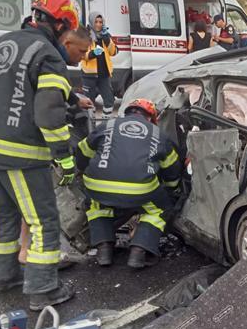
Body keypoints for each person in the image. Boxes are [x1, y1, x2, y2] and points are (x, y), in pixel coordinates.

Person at [0, 0, 92, 311]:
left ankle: (5, 280)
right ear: (62, 26)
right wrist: (63, 158)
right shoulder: (49, 55)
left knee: (2, 219)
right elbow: (48, 114)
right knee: (43, 221)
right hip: (22, 155)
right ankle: (44, 290)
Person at [74, 99, 182, 269]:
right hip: (139, 189)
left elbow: (82, 151)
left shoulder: (107, 125)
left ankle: (104, 250)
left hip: (98, 184)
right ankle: (139, 251)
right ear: (151, 118)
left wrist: (82, 170)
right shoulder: (158, 134)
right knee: (160, 209)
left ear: (127, 113)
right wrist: (171, 189)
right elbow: (172, 169)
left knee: (97, 206)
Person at [81, 12, 118, 115]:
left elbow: (113, 52)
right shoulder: (85, 35)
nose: (98, 24)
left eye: (100, 22)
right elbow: (82, 55)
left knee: (109, 101)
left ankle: (105, 125)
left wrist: (107, 40)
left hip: (104, 74)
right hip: (89, 75)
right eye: (96, 22)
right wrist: (93, 53)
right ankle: (90, 127)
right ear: (92, 22)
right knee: (89, 103)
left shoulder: (105, 35)